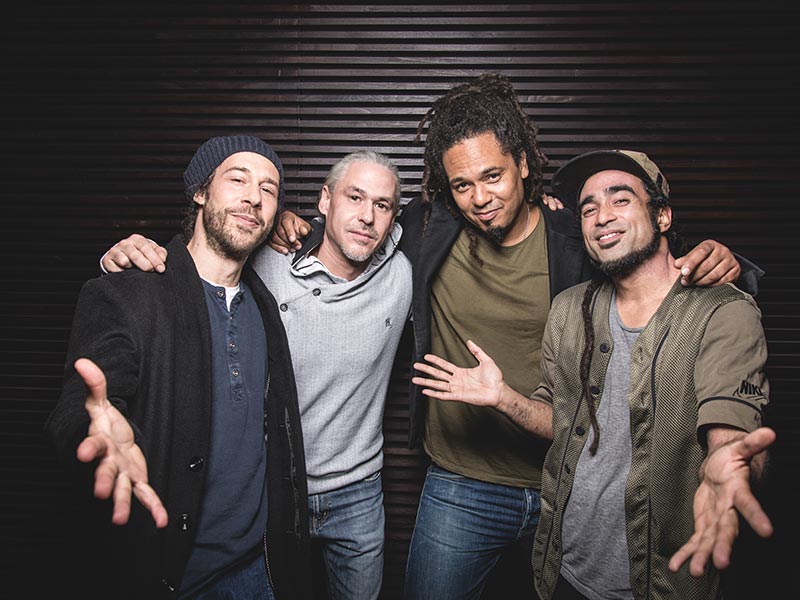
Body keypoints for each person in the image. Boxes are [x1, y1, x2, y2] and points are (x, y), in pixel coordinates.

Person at [261, 72, 762, 599]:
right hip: (462, 483)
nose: (479, 197)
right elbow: (358, 227)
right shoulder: (429, 229)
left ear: (523, 164)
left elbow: (648, 257)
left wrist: (728, 263)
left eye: (493, 176)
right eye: (462, 185)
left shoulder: (576, 235)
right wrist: (290, 225)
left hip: (568, 481)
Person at [411, 148, 774, 600]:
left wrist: (730, 465)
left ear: (662, 216)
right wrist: (504, 397)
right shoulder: (569, 309)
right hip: (564, 572)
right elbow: (561, 421)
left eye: (620, 200)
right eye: (588, 209)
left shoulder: (723, 312)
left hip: (662, 582)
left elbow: (732, 421)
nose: (602, 216)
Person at [100, 151, 413, 600]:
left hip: (358, 493)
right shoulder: (267, 264)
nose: (367, 216)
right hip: (277, 489)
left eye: (382, 205)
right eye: (355, 197)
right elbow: (201, 260)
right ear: (325, 200)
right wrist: (121, 257)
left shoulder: (402, 274)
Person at [45, 135, 313, 599]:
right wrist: (95, 435)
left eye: (268, 189)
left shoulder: (265, 306)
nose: (254, 197)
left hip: (258, 569)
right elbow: (80, 404)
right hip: (167, 572)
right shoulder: (130, 292)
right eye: (238, 179)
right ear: (200, 191)